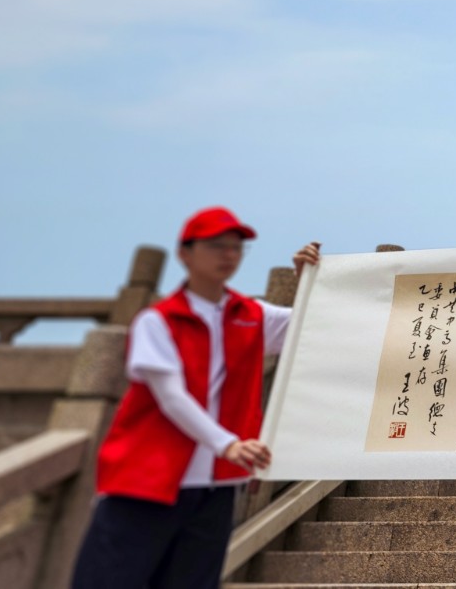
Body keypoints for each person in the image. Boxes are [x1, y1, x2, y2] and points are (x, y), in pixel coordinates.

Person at [70, 206, 320, 589]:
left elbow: (309, 327)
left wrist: (309, 281)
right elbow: (171, 397)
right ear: (185, 253)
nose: (229, 255)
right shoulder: (158, 320)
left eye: (236, 247)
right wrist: (228, 444)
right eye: (217, 245)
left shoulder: (251, 314)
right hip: (146, 482)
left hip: (215, 487)